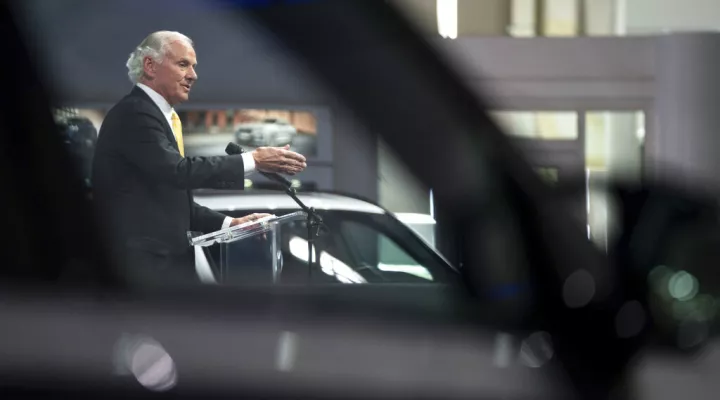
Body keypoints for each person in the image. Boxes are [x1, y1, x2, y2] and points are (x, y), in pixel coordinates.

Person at [92, 31, 307, 286]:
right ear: (150, 66)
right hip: (143, 273)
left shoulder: (157, 115)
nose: (193, 75)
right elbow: (179, 171)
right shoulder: (134, 113)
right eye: (183, 64)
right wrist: (254, 160)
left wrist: (231, 222)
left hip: (161, 271)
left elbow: (172, 201)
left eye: (193, 66)